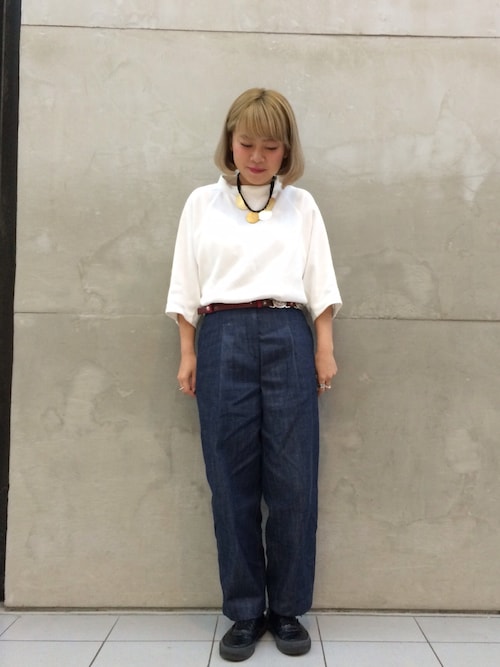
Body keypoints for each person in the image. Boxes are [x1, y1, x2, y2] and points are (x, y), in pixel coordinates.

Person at [166, 88, 342, 662]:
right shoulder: (202, 203)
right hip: (221, 336)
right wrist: (188, 352)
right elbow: (185, 282)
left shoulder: (302, 206)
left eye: (271, 146)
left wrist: (324, 348)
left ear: (286, 148)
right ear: (230, 142)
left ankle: (287, 609)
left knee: (294, 481)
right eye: (247, 144)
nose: (258, 156)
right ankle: (245, 611)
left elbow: (320, 281)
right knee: (230, 480)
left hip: (288, 334)